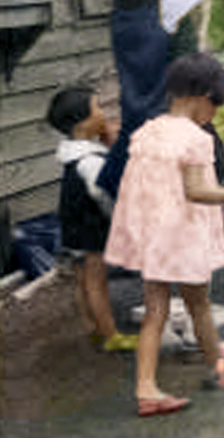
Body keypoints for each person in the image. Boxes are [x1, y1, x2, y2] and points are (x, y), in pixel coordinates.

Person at [104, 52, 224, 417]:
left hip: (154, 238)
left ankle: (149, 387)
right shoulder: (196, 139)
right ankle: (215, 360)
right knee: (198, 304)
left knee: (155, 311)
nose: (215, 113)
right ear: (201, 96)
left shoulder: (147, 132)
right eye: (215, 104)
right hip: (183, 237)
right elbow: (198, 192)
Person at [97, 0, 224, 199]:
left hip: (135, 131)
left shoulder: (123, 11)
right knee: (210, 187)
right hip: (172, 128)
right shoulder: (168, 4)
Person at [46, 86, 139, 351]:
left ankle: (92, 328)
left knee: (83, 282)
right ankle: (111, 335)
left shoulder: (73, 153)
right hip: (90, 232)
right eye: (98, 107)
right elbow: (105, 195)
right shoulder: (91, 161)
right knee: (96, 283)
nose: (104, 113)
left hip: (71, 228)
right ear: (84, 122)